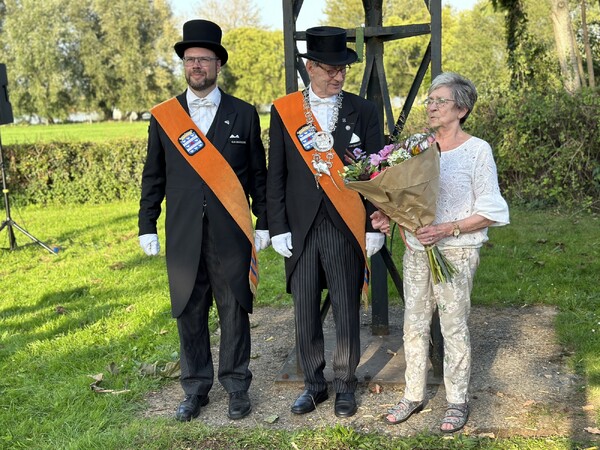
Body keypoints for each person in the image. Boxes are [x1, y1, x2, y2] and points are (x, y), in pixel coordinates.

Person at [138, 19, 269, 422]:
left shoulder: (244, 114)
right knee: (189, 310)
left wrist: (263, 221)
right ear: (184, 65)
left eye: (205, 59)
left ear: (218, 65)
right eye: (191, 59)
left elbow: (258, 175)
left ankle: (235, 386)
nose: (197, 65)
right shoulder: (165, 116)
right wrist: (147, 224)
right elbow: (153, 175)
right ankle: (195, 388)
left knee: (234, 309)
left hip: (230, 230)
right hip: (182, 233)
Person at [372, 72, 509, 432]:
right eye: (430, 101)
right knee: (413, 325)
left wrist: (447, 228)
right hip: (417, 251)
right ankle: (413, 394)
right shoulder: (416, 147)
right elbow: (400, 195)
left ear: (461, 109)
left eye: (440, 101)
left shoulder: (477, 150)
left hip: (457, 253)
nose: (432, 107)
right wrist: (388, 216)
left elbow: (492, 211)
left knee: (453, 327)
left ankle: (457, 400)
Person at [267, 26, 386, 418]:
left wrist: (372, 226)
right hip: (300, 226)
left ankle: (344, 385)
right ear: (310, 66)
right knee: (304, 309)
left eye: (343, 70)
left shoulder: (364, 110)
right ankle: (314, 385)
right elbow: (276, 174)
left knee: (346, 307)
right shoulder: (284, 110)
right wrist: (277, 224)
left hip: (345, 223)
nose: (338, 76)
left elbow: (375, 175)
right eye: (330, 69)